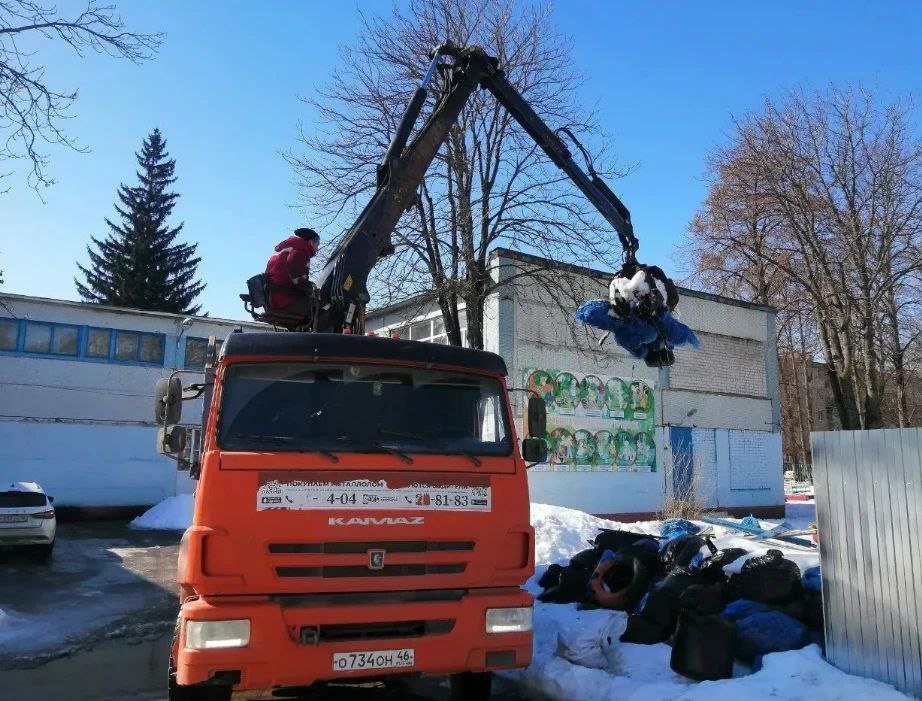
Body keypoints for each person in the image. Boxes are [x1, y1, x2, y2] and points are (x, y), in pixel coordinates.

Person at [265, 228, 320, 318]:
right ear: (311, 242)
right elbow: (297, 277)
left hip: (272, 299)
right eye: (317, 245)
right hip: (284, 300)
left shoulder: (285, 250)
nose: (317, 249)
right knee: (323, 310)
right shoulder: (300, 251)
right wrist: (311, 289)